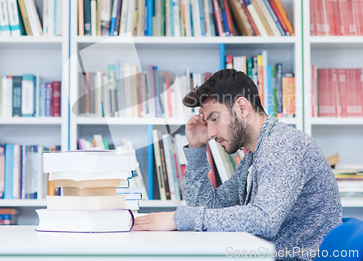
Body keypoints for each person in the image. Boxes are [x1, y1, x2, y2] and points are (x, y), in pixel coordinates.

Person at [133, 69, 342, 260]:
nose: (211, 133)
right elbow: (210, 207)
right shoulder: (254, 156)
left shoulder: (283, 145)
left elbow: (264, 219)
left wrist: (180, 218)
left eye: (214, 119)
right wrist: (196, 148)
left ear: (241, 107)